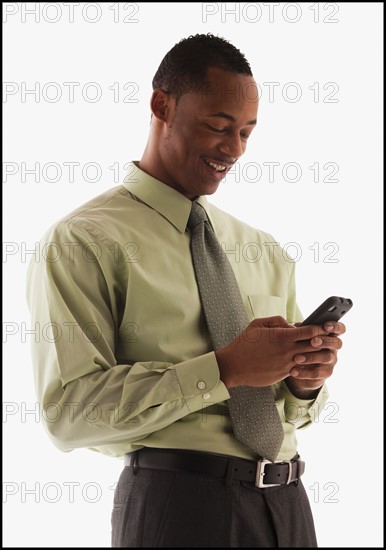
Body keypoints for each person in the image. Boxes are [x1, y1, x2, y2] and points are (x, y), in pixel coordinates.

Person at [26, 33, 346, 547]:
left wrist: (302, 382)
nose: (234, 149)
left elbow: (288, 412)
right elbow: (70, 412)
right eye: (218, 127)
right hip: (179, 507)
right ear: (161, 105)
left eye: (246, 132)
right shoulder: (84, 240)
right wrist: (224, 369)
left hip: (289, 506)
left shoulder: (262, 249)